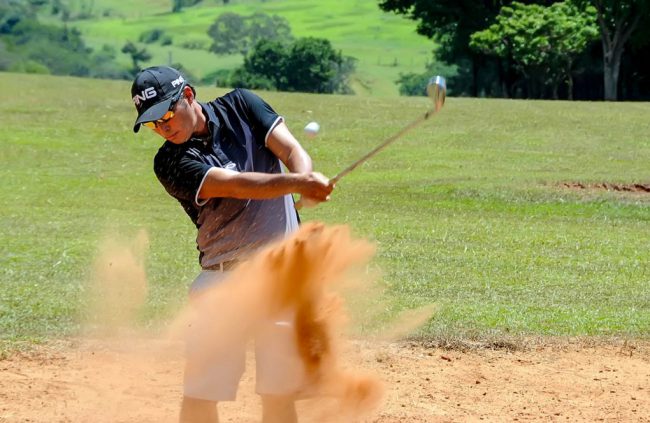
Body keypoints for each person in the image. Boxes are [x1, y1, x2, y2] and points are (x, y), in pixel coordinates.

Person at [130, 65, 334, 423]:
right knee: (202, 393)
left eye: (165, 115)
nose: (163, 128)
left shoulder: (242, 104)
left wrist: (304, 175)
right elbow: (236, 184)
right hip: (223, 282)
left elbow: (289, 149)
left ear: (188, 96)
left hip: (281, 277)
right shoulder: (170, 161)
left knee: (279, 393)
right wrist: (298, 184)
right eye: (152, 124)